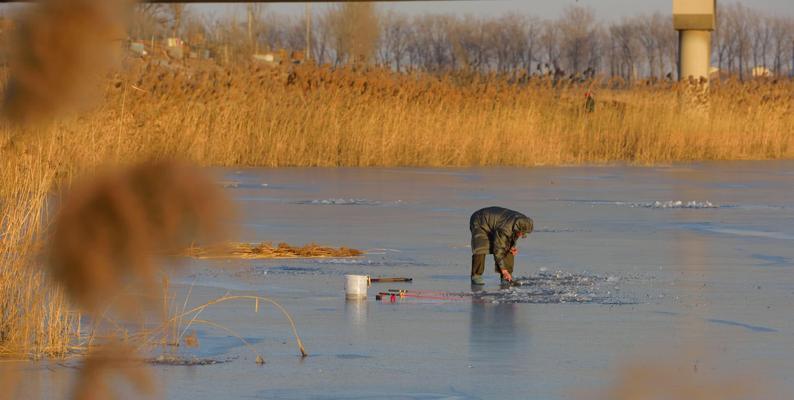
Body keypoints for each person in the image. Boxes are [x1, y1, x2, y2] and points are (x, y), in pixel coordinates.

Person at [469, 207, 533, 286]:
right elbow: (498, 249)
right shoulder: (505, 228)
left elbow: (512, 236)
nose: (522, 235)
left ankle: (506, 277)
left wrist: (512, 246)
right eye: (522, 233)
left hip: (495, 222)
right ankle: (476, 276)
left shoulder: (522, 221)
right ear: (518, 228)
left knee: (509, 249)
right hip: (480, 221)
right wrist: (503, 270)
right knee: (481, 248)